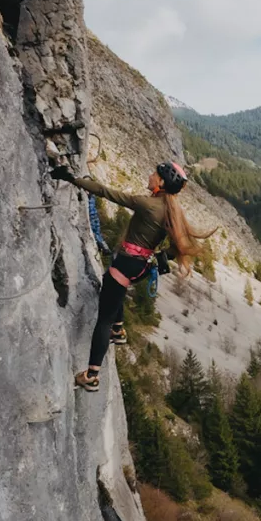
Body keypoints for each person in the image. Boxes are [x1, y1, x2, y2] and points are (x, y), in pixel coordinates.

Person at [51, 161, 216, 391]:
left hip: (127, 263)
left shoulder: (148, 204)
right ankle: (118, 330)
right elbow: (181, 245)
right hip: (141, 266)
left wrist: (71, 178)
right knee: (114, 288)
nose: (149, 176)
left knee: (104, 318)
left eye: (153, 174)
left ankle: (92, 375)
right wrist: (161, 257)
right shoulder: (174, 209)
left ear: (161, 182)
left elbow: (105, 192)